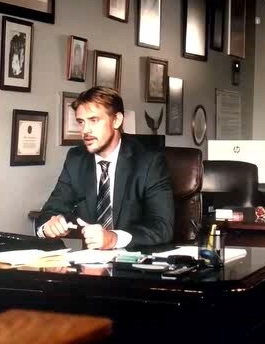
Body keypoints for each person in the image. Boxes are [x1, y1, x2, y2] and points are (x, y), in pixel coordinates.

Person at [36, 87, 174, 249]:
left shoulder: (149, 161)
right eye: (81, 122)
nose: (85, 130)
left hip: (135, 260)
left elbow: (162, 227)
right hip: (90, 261)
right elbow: (48, 213)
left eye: (94, 120)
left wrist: (113, 238)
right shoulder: (76, 159)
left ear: (117, 120)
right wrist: (48, 227)